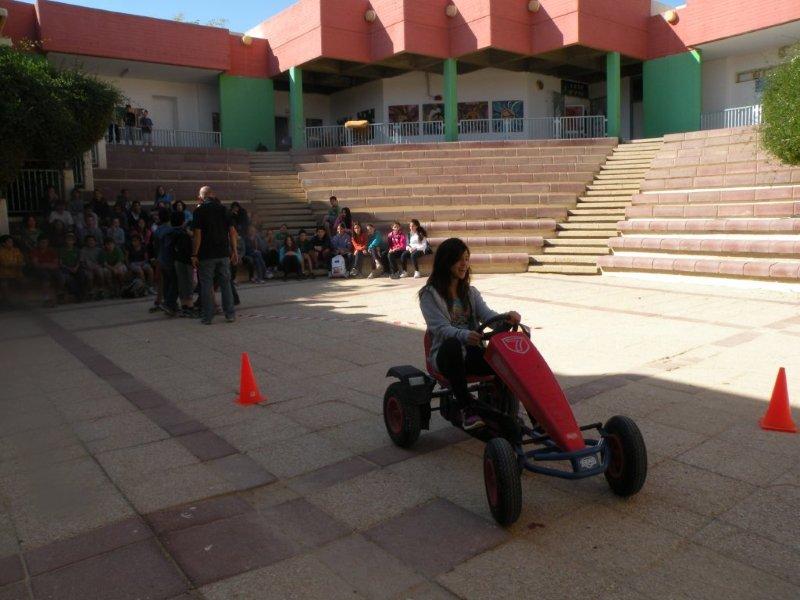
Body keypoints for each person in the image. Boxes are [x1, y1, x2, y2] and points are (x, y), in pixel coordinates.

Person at [419, 238, 521, 430]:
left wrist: (506, 318)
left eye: (466, 259)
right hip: (445, 355)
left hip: (471, 352)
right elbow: (440, 329)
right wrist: (464, 335)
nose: (464, 264)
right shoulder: (429, 295)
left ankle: (521, 413)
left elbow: (487, 315)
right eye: (459, 259)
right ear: (446, 262)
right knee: (453, 345)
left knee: (506, 360)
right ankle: (466, 410)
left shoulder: (470, 292)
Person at [192, 185, 238, 325]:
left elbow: (197, 235)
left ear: (201, 197)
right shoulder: (223, 209)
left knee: (206, 285)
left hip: (206, 254)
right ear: (213, 195)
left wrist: (194, 254)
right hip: (223, 253)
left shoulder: (199, 211)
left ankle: (207, 317)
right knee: (226, 284)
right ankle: (230, 314)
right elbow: (232, 232)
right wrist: (234, 250)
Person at [171, 213, 197, 317]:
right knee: (189, 283)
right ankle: (190, 306)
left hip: (178, 260)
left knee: (182, 283)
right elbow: (189, 249)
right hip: (187, 261)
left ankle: (184, 305)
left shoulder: (174, 232)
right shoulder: (185, 234)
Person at [29, 236, 63, 307]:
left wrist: (46, 264)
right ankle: (46, 298)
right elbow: (36, 264)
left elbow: (56, 264)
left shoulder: (51, 251)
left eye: (46, 242)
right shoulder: (34, 251)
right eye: (42, 242)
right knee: (46, 276)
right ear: (38, 243)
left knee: (60, 276)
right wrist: (48, 265)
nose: (44, 244)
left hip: (51, 269)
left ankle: (58, 296)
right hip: (39, 270)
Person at [58, 232, 84, 301]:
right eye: (68, 239)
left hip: (76, 268)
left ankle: (83, 293)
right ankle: (77, 295)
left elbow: (79, 261)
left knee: (81, 275)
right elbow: (61, 263)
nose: (69, 241)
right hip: (66, 268)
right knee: (70, 279)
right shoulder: (62, 250)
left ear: (74, 241)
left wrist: (76, 267)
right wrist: (69, 269)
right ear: (65, 241)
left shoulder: (77, 250)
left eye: (71, 240)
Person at [0, 235, 24, 304]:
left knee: (23, 282)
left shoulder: (16, 250)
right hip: (4, 274)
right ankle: (7, 301)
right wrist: (14, 264)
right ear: (3, 243)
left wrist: (16, 264)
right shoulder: (1, 252)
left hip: (16, 273)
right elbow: (4, 263)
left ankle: (20, 301)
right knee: (4, 283)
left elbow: (21, 261)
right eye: (9, 242)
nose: (11, 243)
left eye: (12, 241)